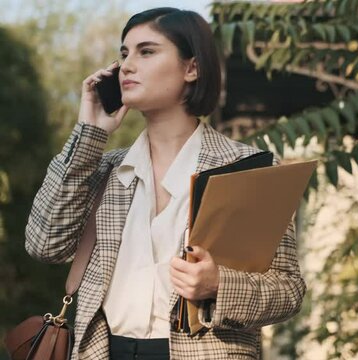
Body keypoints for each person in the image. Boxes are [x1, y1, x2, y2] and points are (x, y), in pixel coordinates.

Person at [25, 7, 306, 360]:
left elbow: (288, 291)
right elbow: (44, 244)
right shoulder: (105, 170)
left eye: (147, 51)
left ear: (192, 68)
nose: (127, 65)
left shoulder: (246, 169)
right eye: (124, 53)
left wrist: (218, 284)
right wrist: (89, 135)